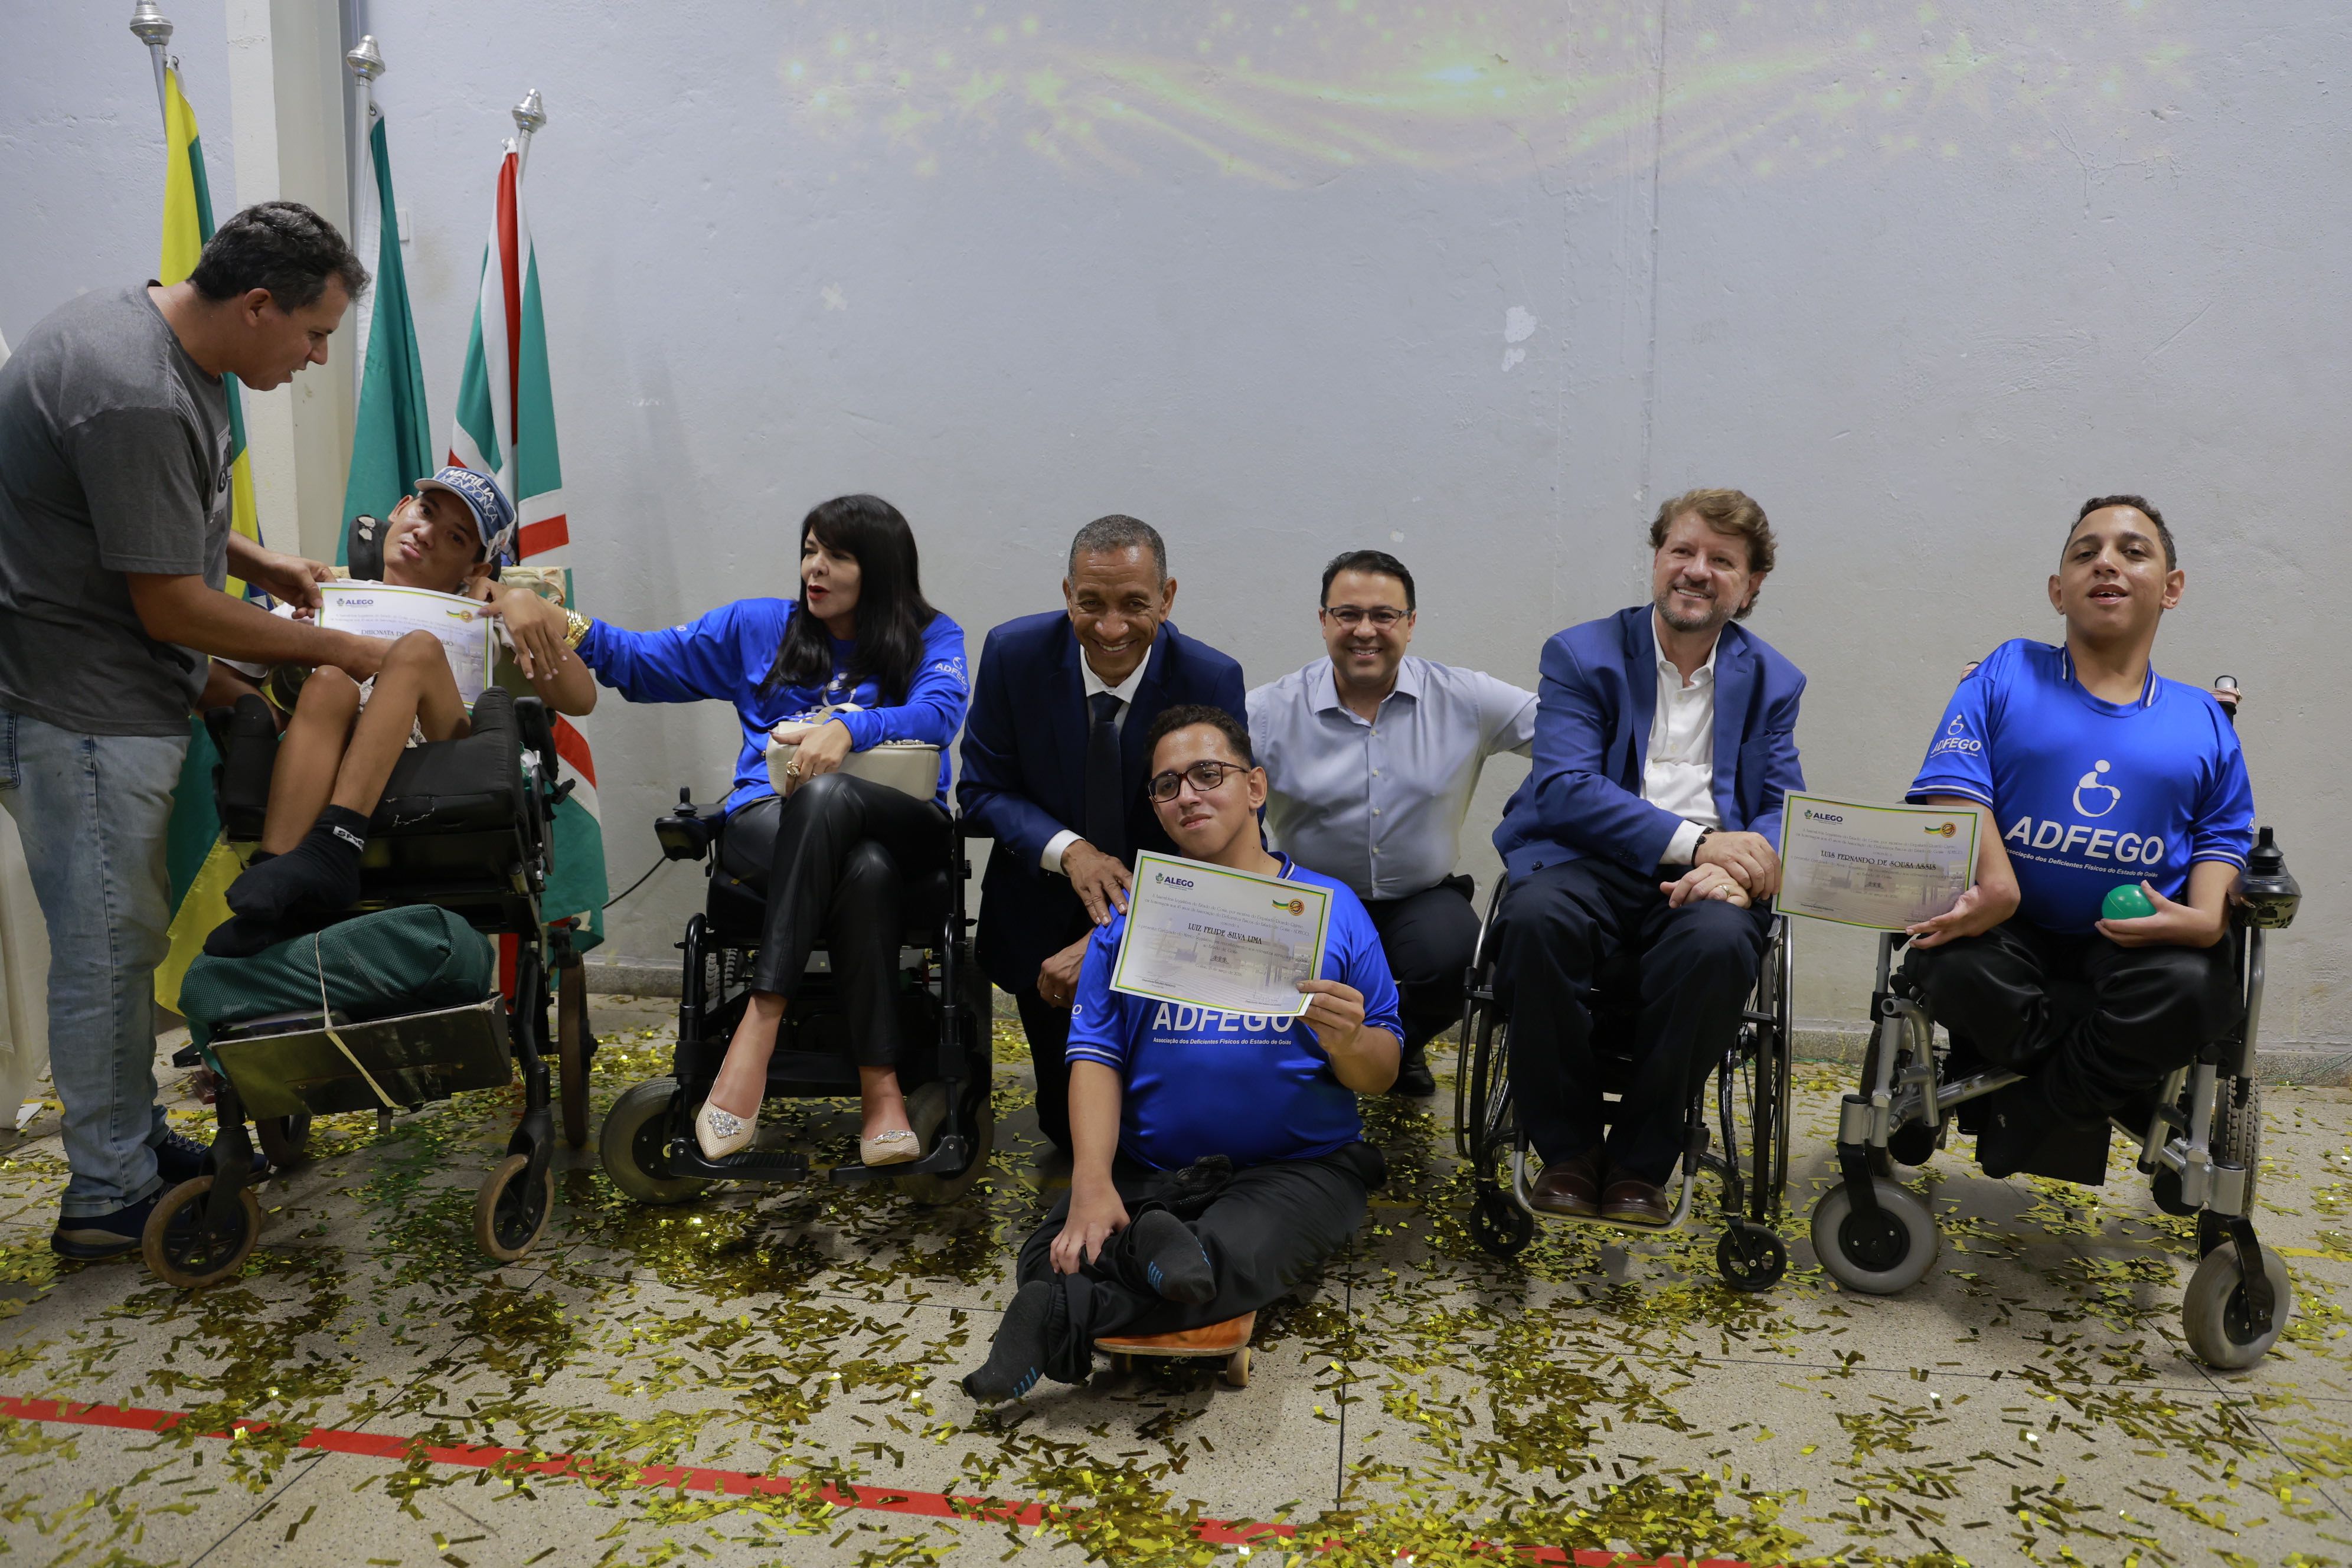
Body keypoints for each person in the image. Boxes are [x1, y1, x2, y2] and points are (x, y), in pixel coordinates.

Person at [0, 202, 391, 1260]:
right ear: (258, 304)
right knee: (105, 947)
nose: (317, 359)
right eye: (315, 334)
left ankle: (126, 1142)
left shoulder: (166, 342)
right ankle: (107, 1196)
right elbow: (170, 602)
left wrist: (259, 563)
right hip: (79, 705)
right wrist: (337, 650)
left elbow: (155, 513)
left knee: (119, 939)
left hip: (104, 693)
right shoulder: (132, 390)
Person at [505, 494, 966, 1165]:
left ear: (883, 569)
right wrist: (549, 615)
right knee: (857, 863)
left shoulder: (933, 636)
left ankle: (760, 1020)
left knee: (833, 796)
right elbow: (639, 661)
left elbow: (940, 713)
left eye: (837, 556)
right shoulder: (759, 628)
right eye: (809, 550)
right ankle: (882, 1090)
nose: (814, 568)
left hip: (904, 822)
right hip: (774, 822)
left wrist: (850, 727)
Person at [961, 705, 1400, 1403]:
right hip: (1152, 1169)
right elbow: (1095, 1057)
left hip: (1296, 1168)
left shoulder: (1331, 908)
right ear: (1157, 810)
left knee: (1226, 1255)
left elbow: (1381, 1072)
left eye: (1208, 774)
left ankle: (1069, 1312)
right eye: (1167, 785)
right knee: (1053, 1249)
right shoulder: (1128, 922)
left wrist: (1350, 1040)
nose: (1187, 794)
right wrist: (1093, 1183)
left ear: (1255, 787)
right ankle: (1142, 1249)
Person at [1899, 495, 2252, 1177]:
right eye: (2086, 553)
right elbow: (1954, 779)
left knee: (2200, 989)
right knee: (1945, 966)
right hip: (2008, 925)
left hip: (2137, 938)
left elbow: (2222, 829)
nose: (2106, 564)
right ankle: (2096, 1087)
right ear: (2058, 590)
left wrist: (2208, 917)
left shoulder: (2202, 717)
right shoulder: (2005, 670)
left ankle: (2031, 1113)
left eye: (2133, 552)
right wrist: (1999, 888)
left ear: (2172, 588)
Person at [1490, 488, 1804, 1226]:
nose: (1696, 571)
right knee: (1534, 920)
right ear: (1658, 559)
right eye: (1681, 551)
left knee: (1722, 943)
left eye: (1721, 560)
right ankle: (1566, 1152)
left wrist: (1741, 865)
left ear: (1751, 584)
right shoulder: (1582, 653)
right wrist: (1701, 841)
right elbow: (1565, 789)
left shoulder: (1774, 679)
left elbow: (1780, 804)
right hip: (1583, 858)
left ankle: (1640, 1163)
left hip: (1705, 880)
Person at [201, 466, 599, 956]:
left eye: (455, 537)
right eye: (425, 512)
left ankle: (337, 841)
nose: (426, 534)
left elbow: (580, 698)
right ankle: (275, 885)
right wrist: (281, 718)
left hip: (439, 755)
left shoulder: (488, 616)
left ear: (475, 569)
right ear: (399, 511)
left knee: (418, 649)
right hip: (338, 746)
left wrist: (524, 605)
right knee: (327, 682)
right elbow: (211, 677)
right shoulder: (323, 600)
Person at [957, 516, 1245, 1152]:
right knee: (1070, 1130)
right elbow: (980, 791)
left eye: (1134, 604)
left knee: (1167, 1127)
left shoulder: (1210, 678)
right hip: (1042, 933)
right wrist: (1072, 853)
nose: (1111, 628)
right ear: (1068, 594)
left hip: (1166, 929)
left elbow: (1222, 833)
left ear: (1167, 598)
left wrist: (1114, 938)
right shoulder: (1013, 655)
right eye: (1091, 603)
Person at [1249, 550, 1535, 1095]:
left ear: (1410, 623)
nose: (1365, 631)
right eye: (1347, 614)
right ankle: (1320, 1062)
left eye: (1384, 615)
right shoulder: (1267, 712)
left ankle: (1391, 1049)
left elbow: (1568, 735)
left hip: (1420, 897)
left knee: (1458, 962)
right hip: (1310, 900)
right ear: (1323, 620)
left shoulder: (1465, 699)